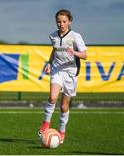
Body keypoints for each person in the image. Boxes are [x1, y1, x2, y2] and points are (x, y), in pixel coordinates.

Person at [38, 9, 87, 144]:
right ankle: (45, 124)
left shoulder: (76, 36)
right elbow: (54, 50)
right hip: (57, 69)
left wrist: (75, 53)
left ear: (69, 22)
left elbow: (85, 55)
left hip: (71, 72)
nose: (61, 24)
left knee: (64, 107)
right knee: (53, 97)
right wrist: (49, 63)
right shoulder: (53, 36)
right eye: (59, 22)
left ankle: (61, 131)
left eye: (64, 21)